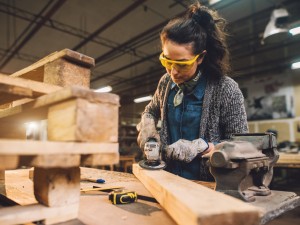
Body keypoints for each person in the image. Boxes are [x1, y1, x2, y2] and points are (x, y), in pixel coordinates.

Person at [137, 1, 248, 181]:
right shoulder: (166, 83)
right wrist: (147, 124)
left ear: (201, 57)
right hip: (168, 180)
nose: (173, 71)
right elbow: (151, 109)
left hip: (207, 186)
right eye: (167, 61)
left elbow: (242, 145)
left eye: (181, 64)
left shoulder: (225, 89)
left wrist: (203, 146)